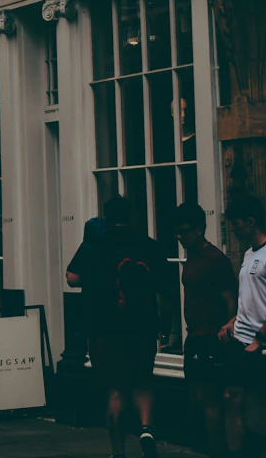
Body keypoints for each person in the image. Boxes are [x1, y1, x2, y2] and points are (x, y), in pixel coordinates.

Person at [66, 196, 168, 458]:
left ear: (106, 217)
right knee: (143, 383)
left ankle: (119, 452)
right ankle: (146, 429)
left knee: (116, 391)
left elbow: (72, 278)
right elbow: (164, 284)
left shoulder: (95, 246)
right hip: (143, 326)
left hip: (106, 328)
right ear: (130, 216)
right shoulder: (148, 245)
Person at [219, 194, 266, 452]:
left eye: (236, 224)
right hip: (241, 341)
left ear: (250, 222)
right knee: (232, 398)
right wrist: (233, 321)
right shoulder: (249, 254)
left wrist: (260, 337)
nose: (233, 230)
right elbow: (251, 298)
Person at [174, 203, 238, 456]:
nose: (179, 236)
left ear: (199, 230)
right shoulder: (192, 255)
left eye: (184, 231)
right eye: (176, 231)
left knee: (211, 397)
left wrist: (229, 325)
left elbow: (230, 298)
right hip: (194, 335)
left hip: (212, 335)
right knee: (198, 397)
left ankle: (217, 451)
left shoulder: (215, 259)